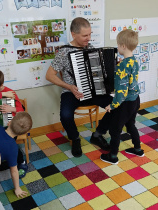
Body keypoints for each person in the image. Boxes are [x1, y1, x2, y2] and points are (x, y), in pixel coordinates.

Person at [46, 17, 112, 157]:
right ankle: (75, 138)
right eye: (85, 35)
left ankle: (98, 134)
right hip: (72, 92)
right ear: (73, 34)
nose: (88, 38)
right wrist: (68, 86)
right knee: (65, 115)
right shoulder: (63, 52)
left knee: (118, 104)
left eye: (90, 34)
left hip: (93, 91)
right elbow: (49, 75)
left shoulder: (92, 48)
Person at [100, 29, 143, 164]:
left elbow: (121, 92)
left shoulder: (122, 67)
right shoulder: (133, 61)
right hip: (135, 100)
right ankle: (138, 149)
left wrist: (111, 106)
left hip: (125, 103)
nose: (117, 47)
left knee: (115, 129)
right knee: (130, 125)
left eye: (118, 44)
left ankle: (113, 156)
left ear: (123, 46)